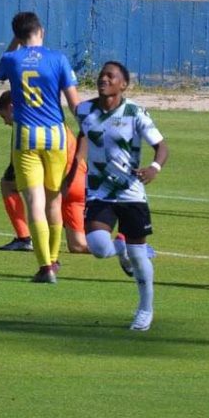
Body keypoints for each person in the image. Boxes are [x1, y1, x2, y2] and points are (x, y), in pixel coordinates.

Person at [76, 61, 167, 331]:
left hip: (131, 193)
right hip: (99, 192)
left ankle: (145, 310)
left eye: (110, 76)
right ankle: (122, 250)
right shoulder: (84, 110)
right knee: (98, 248)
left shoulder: (135, 112)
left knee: (139, 259)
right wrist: (76, 163)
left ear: (123, 84)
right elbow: (85, 135)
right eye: (101, 75)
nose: (103, 79)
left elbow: (161, 146)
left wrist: (154, 167)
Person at [0, 12, 81, 283]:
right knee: (54, 198)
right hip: (56, 135)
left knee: (34, 201)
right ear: (41, 30)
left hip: (26, 136)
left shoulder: (12, 59)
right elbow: (74, 103)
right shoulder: (58, 59)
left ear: (18, 35)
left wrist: (16, 42)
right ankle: (55, 259)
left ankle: (44, 266)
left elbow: (0, 70)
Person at [0, 90, 88, 255]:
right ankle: (125, 246)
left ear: (11, 108)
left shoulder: (25, 126)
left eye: (4, 117)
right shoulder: (53, 118)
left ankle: (25, 239)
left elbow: (14, 170)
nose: (6, 123)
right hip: (79, 184)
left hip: (57, 184)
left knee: (8, 184)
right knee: (78, 245)